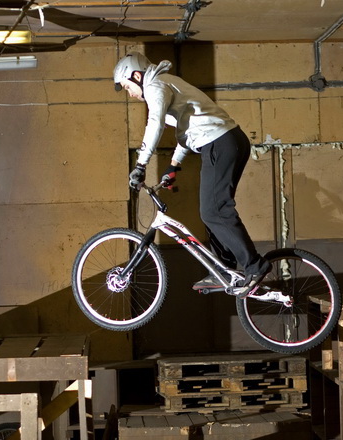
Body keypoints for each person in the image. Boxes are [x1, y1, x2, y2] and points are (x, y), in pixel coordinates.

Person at [113, 52, 271, 297]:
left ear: (136, 76)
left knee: (215, 210)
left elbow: (154, 123)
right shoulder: (166, 83)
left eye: (127, 87)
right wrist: (174, 165)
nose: (130, 94)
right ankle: (224, 270)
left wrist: (141, 164)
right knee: (210, 211)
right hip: (225, 141)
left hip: (220, 143)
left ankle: (254, 266)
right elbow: (187, 129)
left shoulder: (155, 85)